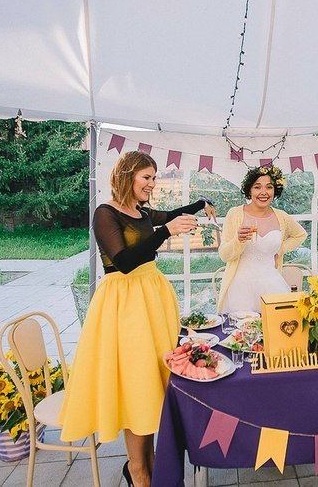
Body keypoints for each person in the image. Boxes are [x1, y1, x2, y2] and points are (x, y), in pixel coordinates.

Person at [58, 151, 216, 487]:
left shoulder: (141, 212)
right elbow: (124, 261)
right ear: (127, 175)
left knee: (149, 382)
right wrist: (165, 233)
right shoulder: (106, 213)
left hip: (150, 300)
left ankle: (150, 462)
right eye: (147, 177)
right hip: (124, 305)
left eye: (154, 177)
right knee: (135, 383)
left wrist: (201, 203)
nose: (152, 184)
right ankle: (138, 469)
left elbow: (171, 214)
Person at [217, 164, 307, 313]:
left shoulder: (281, 216)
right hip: (240, 286)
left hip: (272, 283)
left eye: (269, 187)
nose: (263, 192)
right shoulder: (235, 214)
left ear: (274, 190)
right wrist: (237, 240)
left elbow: (300, 235)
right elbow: (224, 255)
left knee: (277, 326)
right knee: (244, 330)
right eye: (257, 187)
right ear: (249, 190)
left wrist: (280, 249)